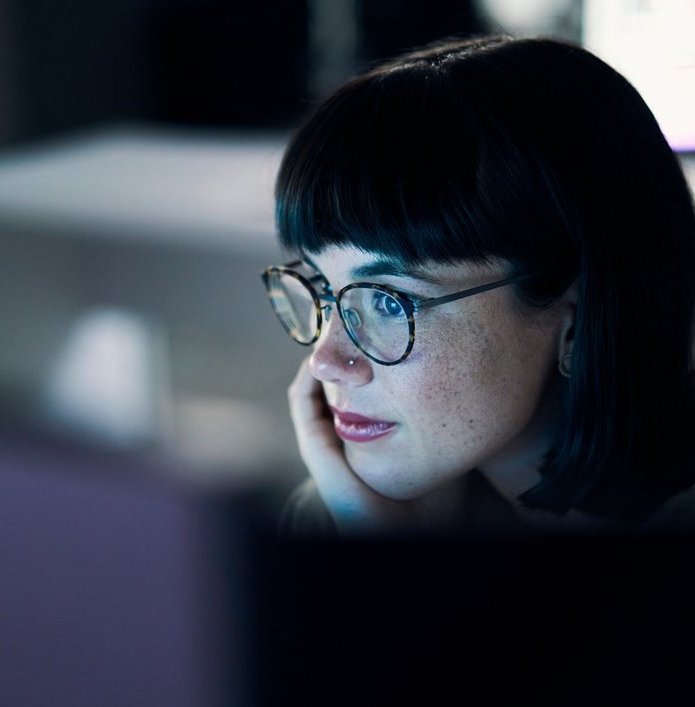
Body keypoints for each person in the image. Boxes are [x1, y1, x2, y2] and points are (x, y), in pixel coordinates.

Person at [261, 35, 695, 534]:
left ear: (578, 319)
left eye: (387, 300)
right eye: (319, 286)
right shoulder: (336, 510)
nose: (325, 361)